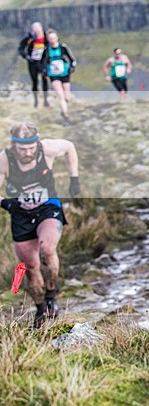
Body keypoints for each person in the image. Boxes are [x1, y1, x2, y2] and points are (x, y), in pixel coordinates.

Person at [0, 121, 80, 328]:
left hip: (48, 207)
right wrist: (7, 203)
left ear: (36, 143)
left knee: (47, 248)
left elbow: (69, 147)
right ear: (13, 146)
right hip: (21, 215)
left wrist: (74, 179)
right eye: (21, 149)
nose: (27, 152)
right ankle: (40, 309)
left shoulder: (47, 149)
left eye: (30, 148)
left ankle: (52, 295)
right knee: (30, 267)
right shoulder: (5, 160)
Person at [42, 29, 76, 120]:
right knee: (60, 95)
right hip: (53, 74)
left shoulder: (63, 47)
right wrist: (44, 71)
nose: (52, 39)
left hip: (65, 73)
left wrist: (72, 67)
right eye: (50, 38)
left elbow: (72, 59)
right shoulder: (46, 50)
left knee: (67, 96)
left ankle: (64, 108)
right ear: (48, 39)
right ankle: (66, 114)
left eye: (53, 37)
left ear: (57, 37)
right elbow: (42, 62)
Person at [17, 22, 50, 108]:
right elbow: (21, 48)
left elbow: (51, 47)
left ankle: (46, 100)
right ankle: (36, 101)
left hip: (43, 62)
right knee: (35, 81)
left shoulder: (46, 38)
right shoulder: (29, 38)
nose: (36, 32)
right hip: (32, 63)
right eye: (34, 30)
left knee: (45, 80)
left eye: (38, 30)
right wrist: (26, 56)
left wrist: (49, 60)